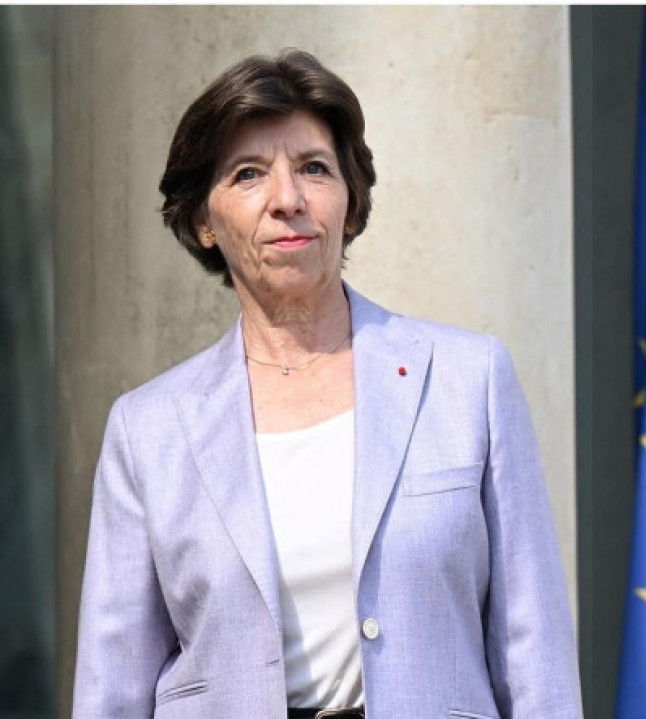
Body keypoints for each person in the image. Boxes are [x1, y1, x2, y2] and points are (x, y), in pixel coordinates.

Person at [72, 49, 582, 719]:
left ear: (350, 202)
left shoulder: (469, 382)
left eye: (314, 168)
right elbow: (112, 687)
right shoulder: (148, 430)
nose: (288, 199)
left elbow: (533, 648)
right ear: (203, 221)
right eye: (249, 174)